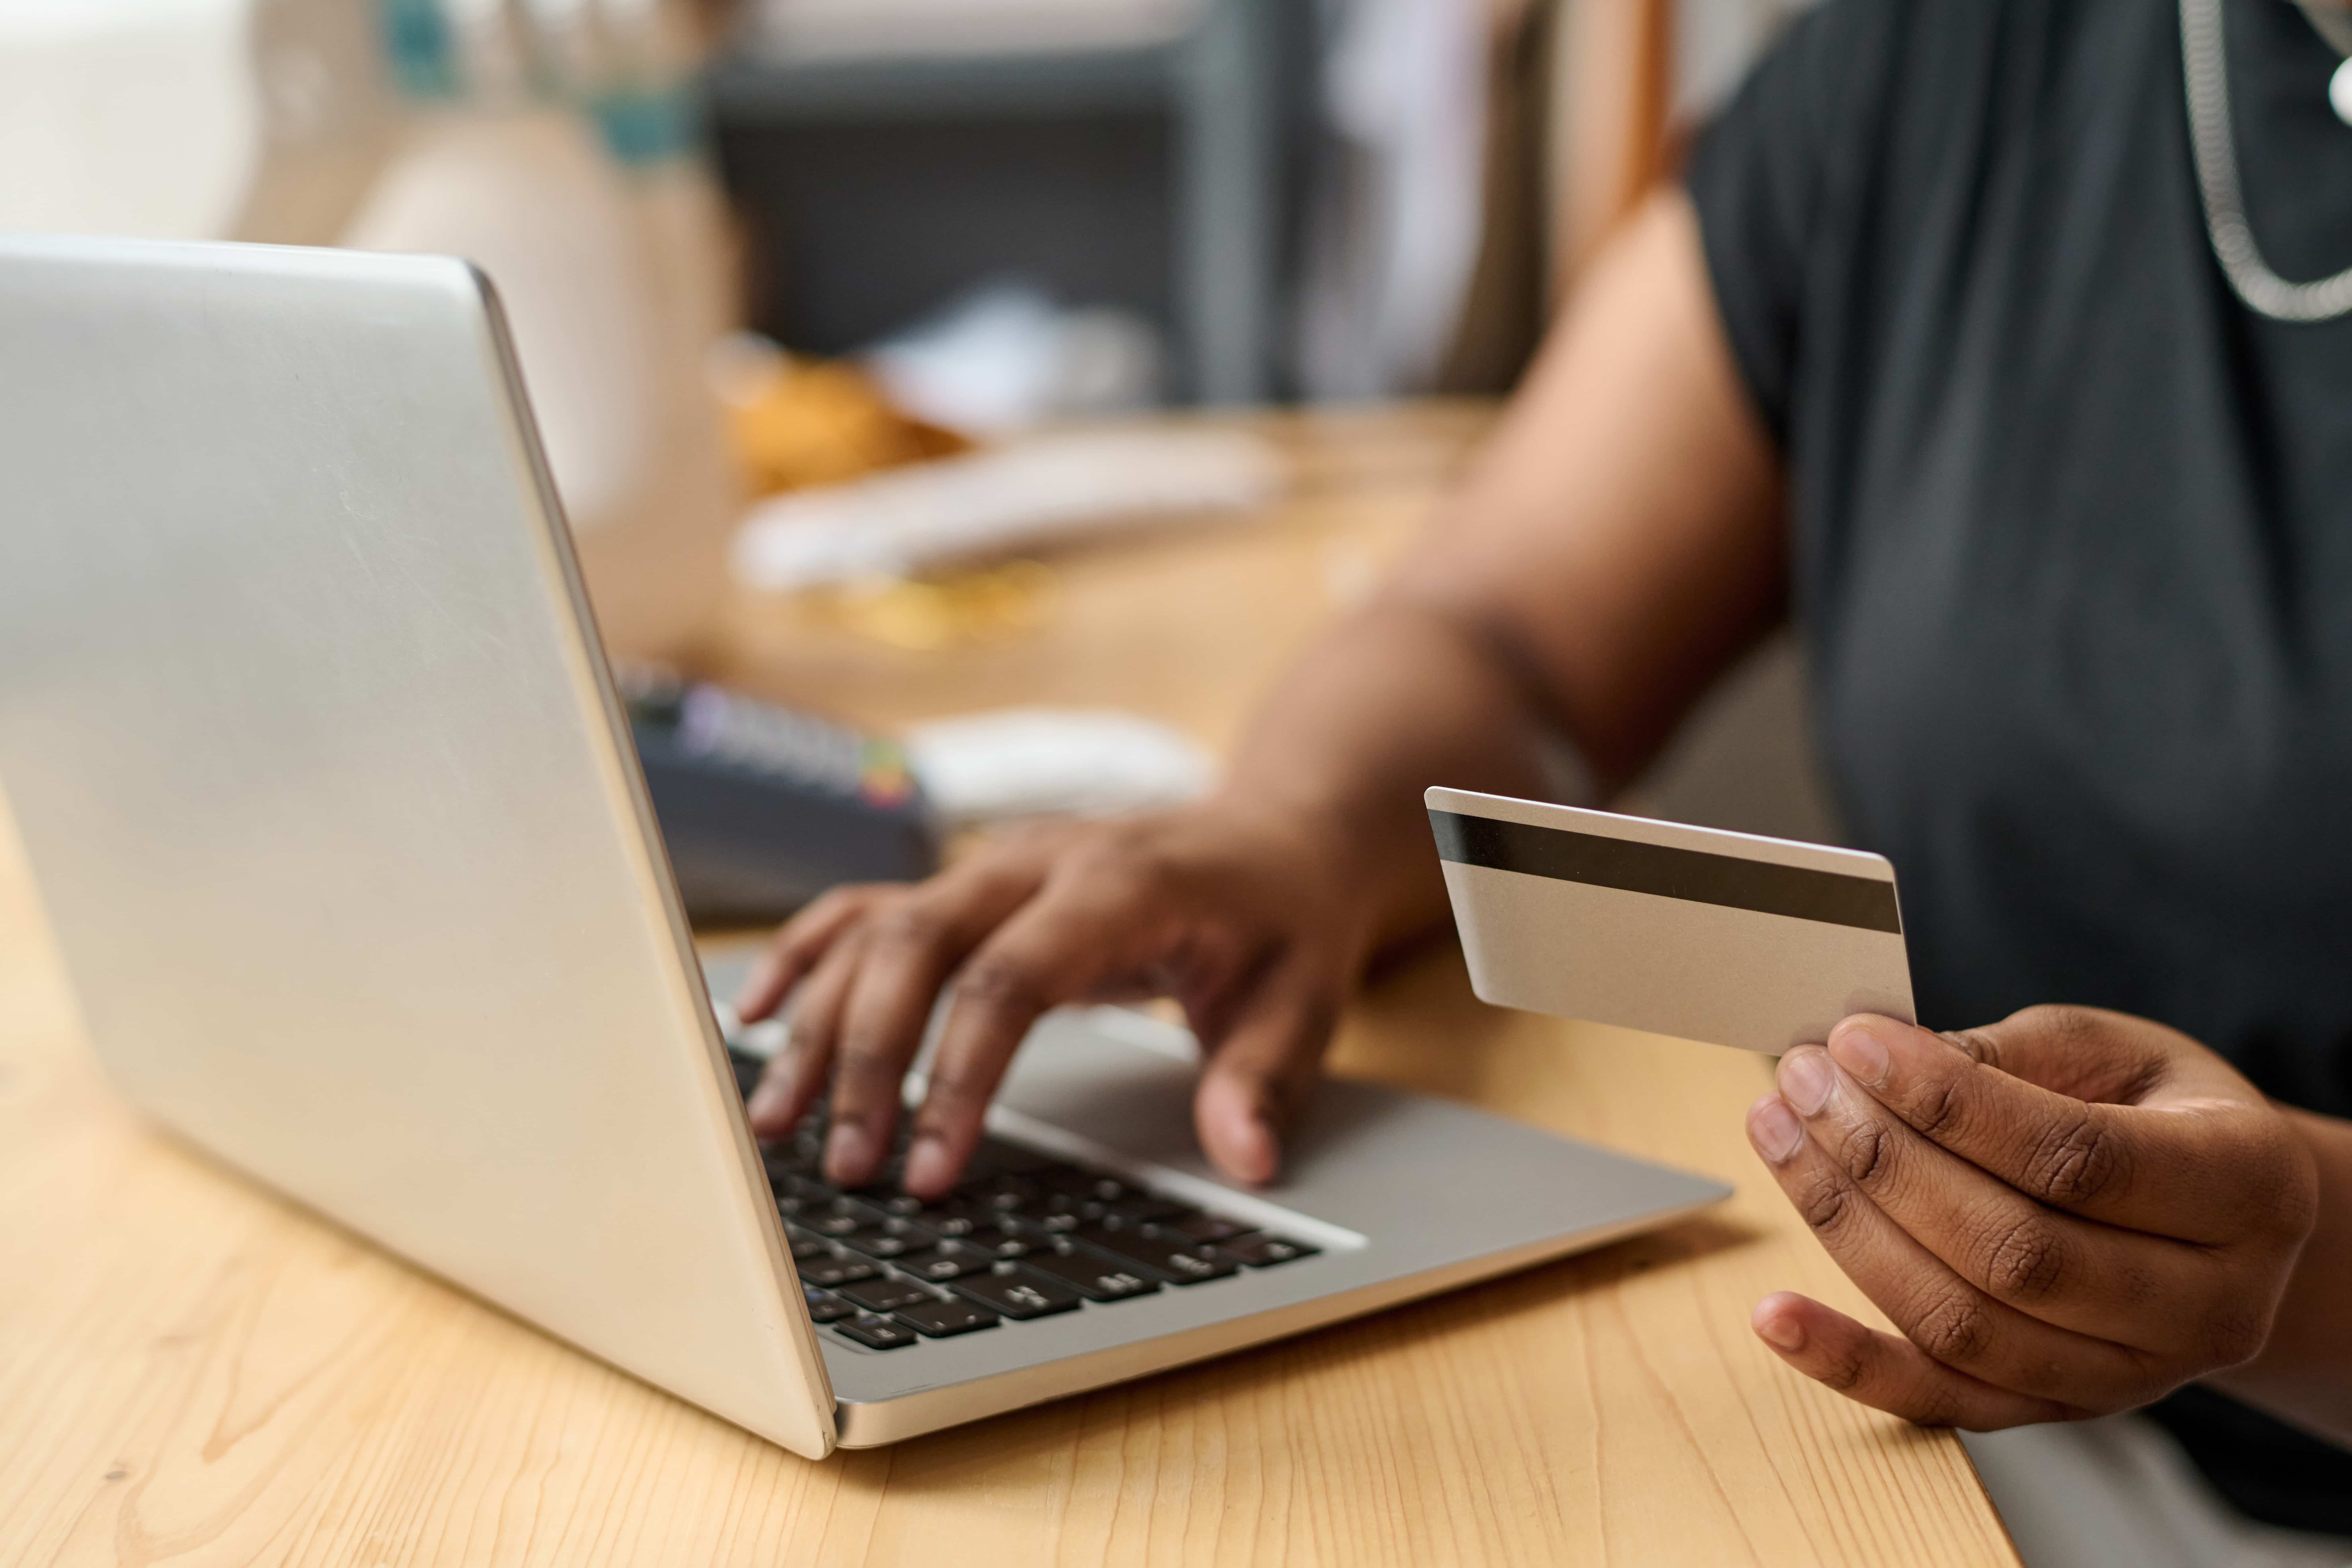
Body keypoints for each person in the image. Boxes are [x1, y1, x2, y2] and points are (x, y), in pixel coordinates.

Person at [736, 0, 2352, 1542]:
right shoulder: (1946, 64)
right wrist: (1286, 836)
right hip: (1985, 1437)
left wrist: (2306, 1265)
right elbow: (1505, 620)